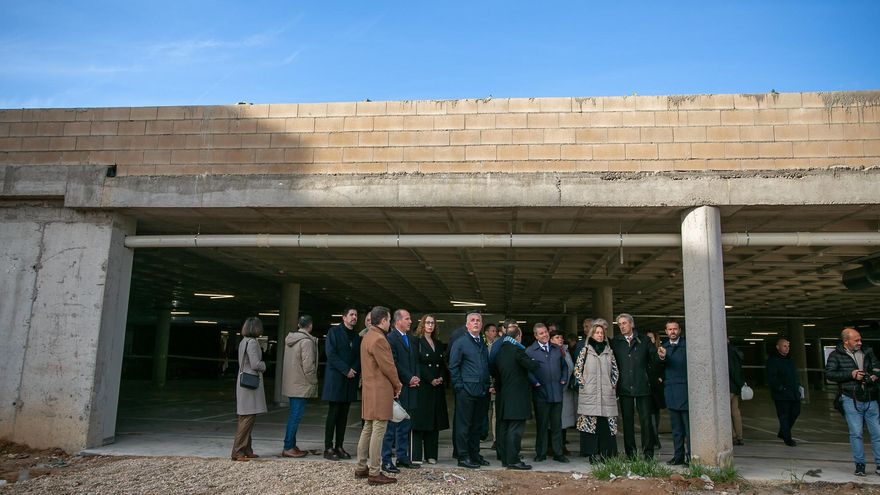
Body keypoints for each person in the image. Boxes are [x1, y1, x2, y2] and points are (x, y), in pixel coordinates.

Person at [354, 306, 402, 486]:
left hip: (368, 389)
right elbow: (388, 366)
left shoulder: (367, 337)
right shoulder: (380, 339)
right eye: (389, 320)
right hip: (380, 390)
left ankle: (361, 467)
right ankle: (374, 472)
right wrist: (397, 385)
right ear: (383, 321)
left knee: (368, 427)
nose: (389, 323)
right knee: (378, 429)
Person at [825, 327, 880, 477]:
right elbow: (830, 374)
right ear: (846, 341)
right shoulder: (835, 355)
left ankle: (879, 464)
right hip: (850, 398)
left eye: (860, 339)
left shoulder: (867, 352)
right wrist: (851, 374)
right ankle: (860, 465)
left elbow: (877, 367)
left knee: (877, 433)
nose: (860, 343)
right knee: (856, 433)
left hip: (870, 397)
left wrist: (874, 376)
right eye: (856, 340)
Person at [610, 313, 660, 459]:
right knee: (627, 422)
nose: (622, 326)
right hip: (624, 387)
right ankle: (630, 454)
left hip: (642, 386)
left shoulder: (644, 340)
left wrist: (661, 356)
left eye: (624, 323)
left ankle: (648, 453)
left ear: (632, 324)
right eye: (619, 324)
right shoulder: (616, 342)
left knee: (646, 422)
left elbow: (654, 358)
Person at [492, 323, 540, 470]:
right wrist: (533, 361)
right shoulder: (518, 351)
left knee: (505, 429)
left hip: (504, 395)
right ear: (518, 336)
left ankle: (506, 459)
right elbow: (533, 366)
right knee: (515, 430)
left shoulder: (501, 351)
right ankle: (513, 460)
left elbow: (495, 372)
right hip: (517, 397)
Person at [449, 312, 492, 469]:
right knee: (464, 426)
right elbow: (453, 366)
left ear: (481, 325)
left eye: (478, 321)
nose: (475, 323)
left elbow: (485, 365)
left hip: (481, 390)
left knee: (477, 426)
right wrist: (459, 387)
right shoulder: (460, 342)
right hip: (466, 391)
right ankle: (463, 456)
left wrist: (488, 384)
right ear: (467, 325)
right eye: (472, 321)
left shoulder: (481, 342)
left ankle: (475, 454)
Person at [574, 318, 619, 462]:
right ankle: (592, 454)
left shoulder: (609, 351)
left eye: (601, 333)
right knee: (590, 426)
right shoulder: (585, 351)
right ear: (592, 334)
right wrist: (583, 384)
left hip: (606, 394)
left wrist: (612, 384)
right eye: (597, 333)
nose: (600, 335)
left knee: (605, 426)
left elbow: (615, 371)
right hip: (590, 394)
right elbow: (577, 370)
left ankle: (606, 455)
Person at [381, 309, 420, 472]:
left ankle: (403, 458)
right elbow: (394, 363)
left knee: (406, 425)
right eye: (407, 318)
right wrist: (408, 378)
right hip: (398, 388)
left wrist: (416, 377)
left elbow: (416, 360)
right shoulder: (390, 339)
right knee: (391, 426)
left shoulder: (410, 338)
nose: (410, 321)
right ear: (398, 321)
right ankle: (386, 459)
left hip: (411, 388)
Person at [321, 307, 361, 460]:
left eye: (356, 315)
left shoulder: (357, 337)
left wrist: (354, 369)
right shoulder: (334, 333)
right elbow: (331, 354)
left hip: (350, 380)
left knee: (344, 416)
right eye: (351, 315)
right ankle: (328, 447)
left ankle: (339, 445)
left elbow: (359, 357)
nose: (354, 317)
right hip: (336, 379)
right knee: (333, 414)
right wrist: (346, 370)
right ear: (344, 318)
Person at [526, 323, 568, 463]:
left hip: (556, 393)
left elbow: (564, 367)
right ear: (536, 336)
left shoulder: (557, 350)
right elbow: (527, 371)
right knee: (542, 425)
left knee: (557, 425)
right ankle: (541, 453)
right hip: (541, 394)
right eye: (541, 333)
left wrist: (563, 379)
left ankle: (558, 453)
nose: (545, 335)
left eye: (545, 332)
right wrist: (535, 383)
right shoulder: (530, 351)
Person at [411, 314, 449, 464]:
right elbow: (417, 363)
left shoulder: (438, 343)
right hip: (423, 386)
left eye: (432, 323)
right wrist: (430, 378)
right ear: (422, 325)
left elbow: (442, 362)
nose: (430, 325)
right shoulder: (417, 342)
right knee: (420, 421)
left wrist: (440, 377)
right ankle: (416, 456)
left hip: (436, 388)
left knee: (434, 421)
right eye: (427, 322)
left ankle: (431, 455)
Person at [281, 315, 318, 458]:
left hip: (291, 383)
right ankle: (288, 446)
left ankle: (291, 444)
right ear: (310, 326)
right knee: (295, 416)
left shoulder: (290, 340)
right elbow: (308, 366)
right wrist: (313, 381)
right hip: (301, 384)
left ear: (298, 325)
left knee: (293, 415)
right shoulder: (306, 342)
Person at [231, 317, 267, 461]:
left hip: (244, 383)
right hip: (250, 385)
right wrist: (264, 365)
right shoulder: (252, 343)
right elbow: (255, 364)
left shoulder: (243, 342)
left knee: (247, 417)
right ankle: (237, 451)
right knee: (247, 418)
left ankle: (247, 448)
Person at [657, 319, 689, 465]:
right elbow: (659, 369)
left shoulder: (687, 346)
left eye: (675, 329)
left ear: (679, 330)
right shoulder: (663, 348)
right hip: (671, 391)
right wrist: (661, 358)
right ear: (666, 331)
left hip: (685, 390)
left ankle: (691, 456)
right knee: (676, 429)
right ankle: (678, 456)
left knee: (688, 429)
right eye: (670, 329)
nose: (672, 332)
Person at [766, 337, 800, 447]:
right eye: (784, 346)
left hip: (794, 393)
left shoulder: (790, 360)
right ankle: (787, 438)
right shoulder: (773, 360)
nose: (787, 348)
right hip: (781, 395)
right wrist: (781, 388)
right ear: (778, 347)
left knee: (796, 412)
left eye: (788, 346)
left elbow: (794, 376)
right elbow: (772, 378)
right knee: (784, 416)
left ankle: (783, 433)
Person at [551, 329, 576, 456]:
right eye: (556, 337)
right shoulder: (550, 351)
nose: (560, 339)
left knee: (564, 420)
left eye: (561, 337)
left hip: (566, 391)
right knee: (554, 420)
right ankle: (552, 447)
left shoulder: (566, 351)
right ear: (550, 340)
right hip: (554, 390)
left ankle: (562, 445)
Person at [644, 329, 665, 451]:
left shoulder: (659, 351)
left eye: (650, 338)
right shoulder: (644, 352)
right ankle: (653, 438)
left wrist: (662, 378)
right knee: (648, 415)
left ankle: (655, 437)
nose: (649, 340)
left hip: (657, 388)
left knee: (655, 416)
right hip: (646, 387)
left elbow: (664, 366)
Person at [482, 323, 499, 447]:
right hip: (483, 383)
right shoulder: (481, 346)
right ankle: (482, 433)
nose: (495, 333)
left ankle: (495, 438)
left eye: (496, 331)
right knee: (482, 411)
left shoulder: (498, 346)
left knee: (495, 412)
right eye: (492, 331)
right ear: (486, 333)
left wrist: (493, 384)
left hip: (494, 383)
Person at [727, 339, 745, 446]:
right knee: (735, 411)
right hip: (736, 386)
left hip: (728, 385)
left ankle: (732, 435)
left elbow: (731, 370)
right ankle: (740, 436)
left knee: (725, 411)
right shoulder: (736, 351)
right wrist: (740, 384)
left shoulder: (726, 352)